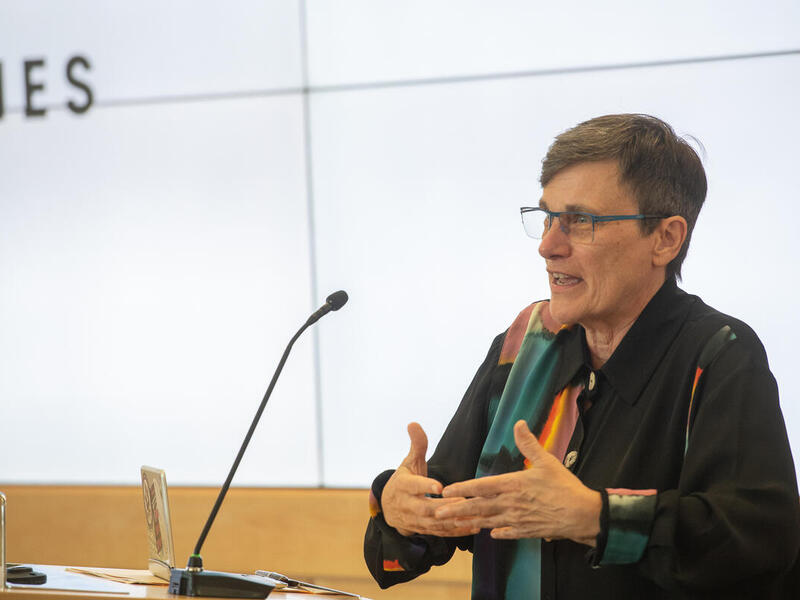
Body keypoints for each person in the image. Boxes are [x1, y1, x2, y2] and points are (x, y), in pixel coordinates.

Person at [363, 114, 800, 599]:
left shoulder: (718, 355)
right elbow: (443, 515)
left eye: (581, 221)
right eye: (548, 217)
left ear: (665, 239)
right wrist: (400, 507)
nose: (548, 246)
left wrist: (595, 518)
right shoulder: (524, 345)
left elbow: (759, 544)